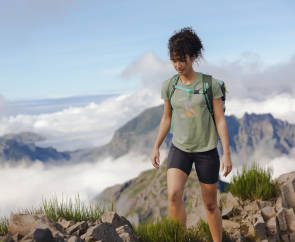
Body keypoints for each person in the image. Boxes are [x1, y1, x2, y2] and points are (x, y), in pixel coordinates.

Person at [150, 27, 232, 242]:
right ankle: (179, 238)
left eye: (182, 60)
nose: (178, 65)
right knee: (173, 195)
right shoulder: (169, 85)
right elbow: (166, 118)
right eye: (174, 60)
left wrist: (226, 153)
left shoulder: (209, 85)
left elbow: (220, 119)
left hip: (206, 151)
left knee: (210, 204)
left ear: (193, 57)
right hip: (180, 149)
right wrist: (156, 146)